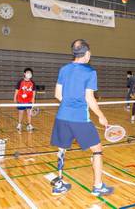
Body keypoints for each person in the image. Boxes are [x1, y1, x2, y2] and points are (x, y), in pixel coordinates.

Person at [50, 39, 114, 196]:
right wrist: (101, 116)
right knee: (97, 150)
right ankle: (98, 186)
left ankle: (59, 184)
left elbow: (58, 95)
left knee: (62, 149)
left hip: (62, 116)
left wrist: (69, 104)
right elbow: (90, 99)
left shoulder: (64, 69)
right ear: (87, 53)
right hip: (80, 119)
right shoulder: (90, 72)